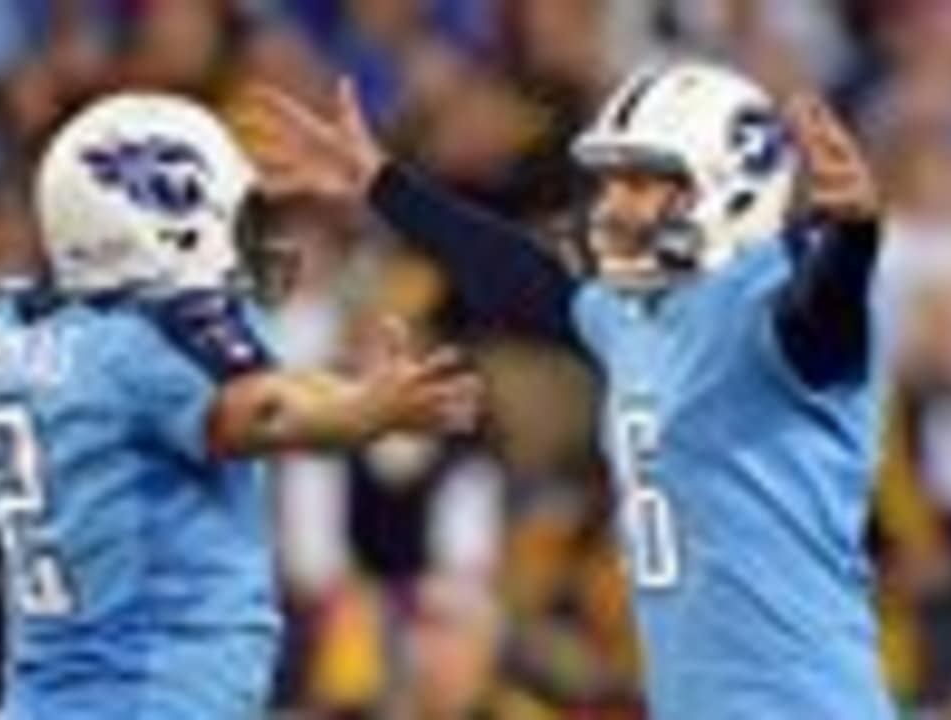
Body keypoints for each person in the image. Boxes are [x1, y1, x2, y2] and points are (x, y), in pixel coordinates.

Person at [0, 94, 482, 720]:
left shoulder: (3, 329)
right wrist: (361, 415)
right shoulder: (155, 342)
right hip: (162, 695)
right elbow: (254, 410)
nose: (244, 240)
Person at [244, 60, 893, 719]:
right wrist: (382, 185)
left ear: (729, 185)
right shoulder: (645, 317)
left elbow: (824, 315)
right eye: (612, 184)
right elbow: (520, 280)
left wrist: (854, 236)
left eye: (641, 183)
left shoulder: (774, 308)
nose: (613, 208)